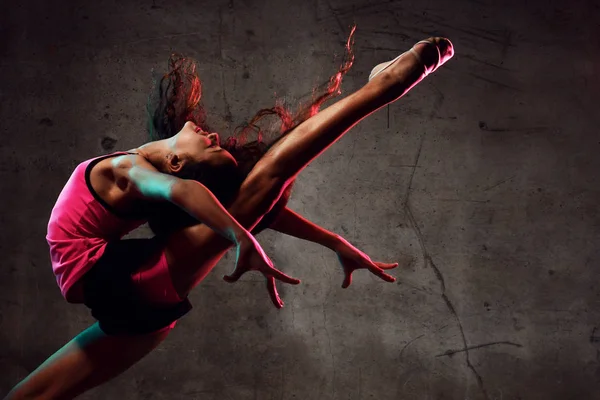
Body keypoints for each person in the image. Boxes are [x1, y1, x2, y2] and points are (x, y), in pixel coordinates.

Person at [4, 29, 454, 399]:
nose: (213, 133)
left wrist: (329, 241)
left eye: (212, 146)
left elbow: (214, 201)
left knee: (35, 396)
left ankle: (383, 88)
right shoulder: (130, 170)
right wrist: (241, 236)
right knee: (260, 185)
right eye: (214, 145)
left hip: (130, 297)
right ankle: (381, 88)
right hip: (126, 288)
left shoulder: (136, 170)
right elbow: (194, 195)